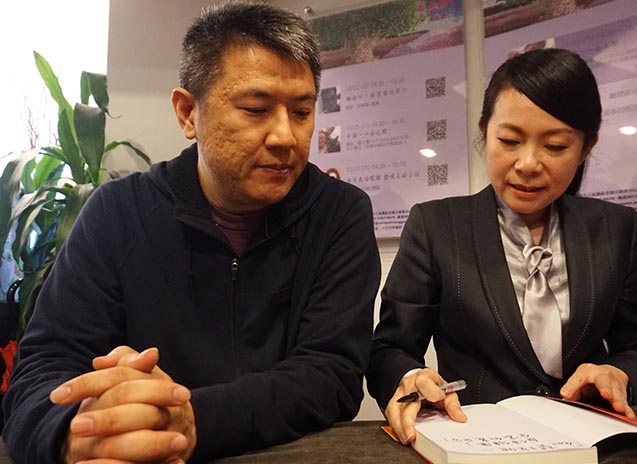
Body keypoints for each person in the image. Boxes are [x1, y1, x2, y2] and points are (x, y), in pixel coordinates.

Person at [2, 2, 380, 463]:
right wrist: (77, 431)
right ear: (187, 113)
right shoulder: (117, 212)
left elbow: (332, 373)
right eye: (256, 109)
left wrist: (189, 419)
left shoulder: (339, 212)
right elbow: (42, 370)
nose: (285, 136)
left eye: (301, 112)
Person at [366, 48, 637, 445]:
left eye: (555, 146)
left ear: (587, 147)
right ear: (484, 131)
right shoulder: (436, 226)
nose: (527, 163)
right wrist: (411, 377)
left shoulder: (615, 228)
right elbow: (390, 349)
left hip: (590, 445)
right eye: (509, 140)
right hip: (477, 443)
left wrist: (618, 374)